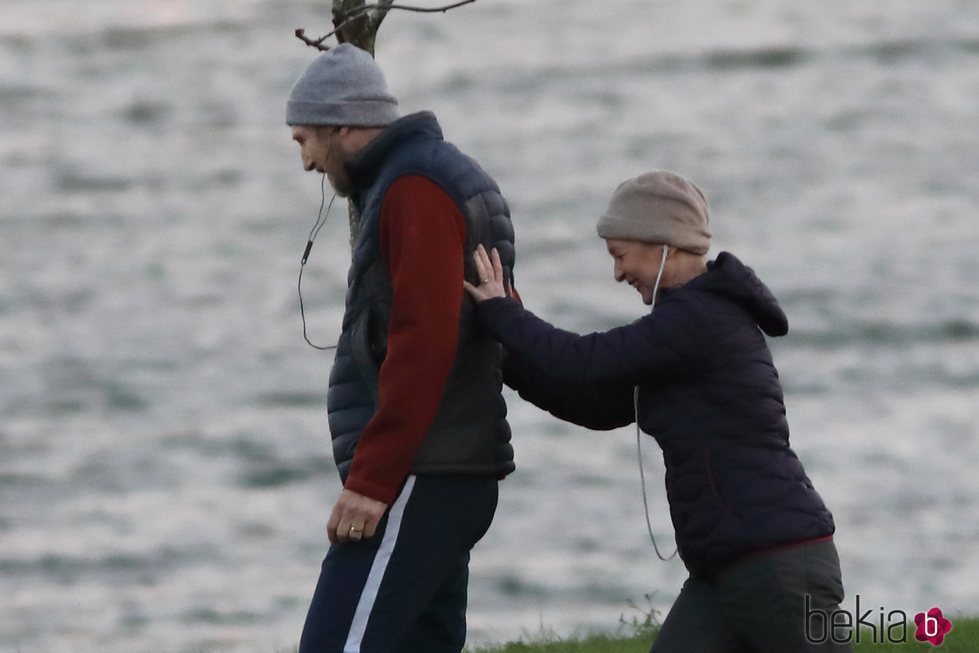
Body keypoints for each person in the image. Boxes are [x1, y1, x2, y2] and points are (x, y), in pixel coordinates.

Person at [464, 170, 850, 652]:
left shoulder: (700, 319)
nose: (618, 272)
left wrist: (503, 313)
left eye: (620, 255)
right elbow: (597, 404)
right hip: (723, 568)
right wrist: (505, 357)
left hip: (780, 564)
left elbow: (586, 361)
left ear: (661, 242)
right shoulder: (682, 329)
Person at [285, 44, 517, 652]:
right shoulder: (431, 174)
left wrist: (373, 479)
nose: (307, 160)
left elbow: (425, 340)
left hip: (424, 471)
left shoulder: (416, 187)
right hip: (448, 468)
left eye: (304, 139)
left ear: (341, 124)